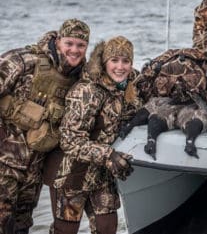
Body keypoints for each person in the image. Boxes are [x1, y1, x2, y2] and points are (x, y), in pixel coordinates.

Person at [0, 19, 90, 234]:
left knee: (21, 224)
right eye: (69, 43)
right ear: (58, 41)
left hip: (34, 169)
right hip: (4, 162)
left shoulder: (81, 77)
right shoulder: (23, 60)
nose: (74, 50)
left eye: (81, 45)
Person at [48, 36, 142, 234]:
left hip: (102, 175)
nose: (120, 66)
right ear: (104, 62)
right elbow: (70, 140)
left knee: (107, 228)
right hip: (72, 174)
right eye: (114, 60)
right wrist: (109, 156)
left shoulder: (127, 88)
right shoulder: (86, 91)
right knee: (65, 230)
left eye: (126, 61)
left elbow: (137, 112)